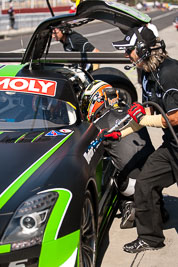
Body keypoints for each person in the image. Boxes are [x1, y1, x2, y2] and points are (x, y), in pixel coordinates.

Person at [101, 25, 178, 253]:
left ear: (143, 49)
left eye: (129, 50)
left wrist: (143, 120)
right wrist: (121, 133)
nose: (127, 55)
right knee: (145, 184)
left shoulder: (169, 72)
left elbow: (174, 118)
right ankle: (151, 239)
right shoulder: (146, 74)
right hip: (173, 145)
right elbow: (147, 115)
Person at [82, 80, 155, 229]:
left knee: (108, 162)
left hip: (133, 184)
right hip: (155, 175)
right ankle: (155, 206)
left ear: (98, 100)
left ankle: (127, 204)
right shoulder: (132, 111)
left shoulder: (98, 125)